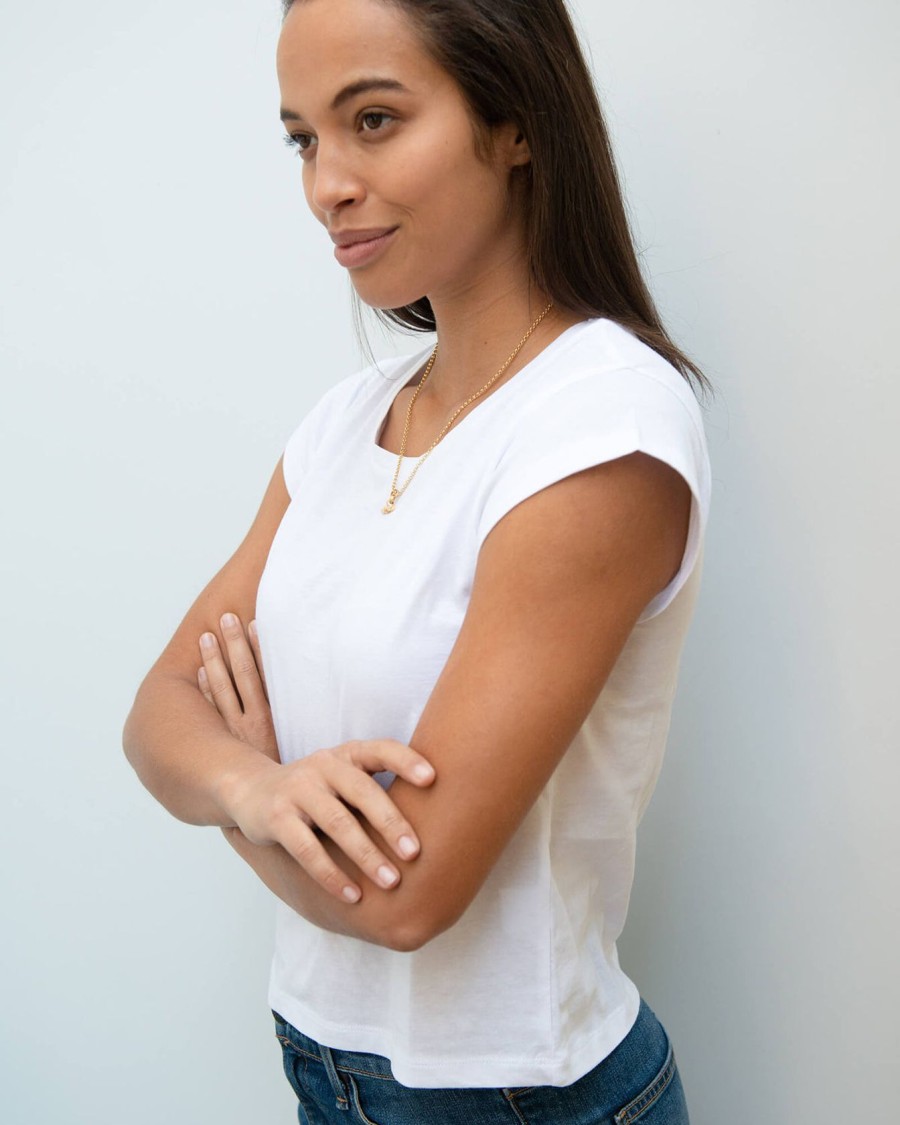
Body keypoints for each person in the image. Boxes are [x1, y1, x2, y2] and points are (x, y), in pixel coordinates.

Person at [123, 0, 712, 1120]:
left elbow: (408, 898)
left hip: (515, 1096)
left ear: (517, 121)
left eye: (375, 119)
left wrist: (233, 801)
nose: (325, 184)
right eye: (304, 138)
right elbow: (156, 712)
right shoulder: (346, 423)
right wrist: (258, 781)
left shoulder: (603, 426)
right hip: (319, 1064)